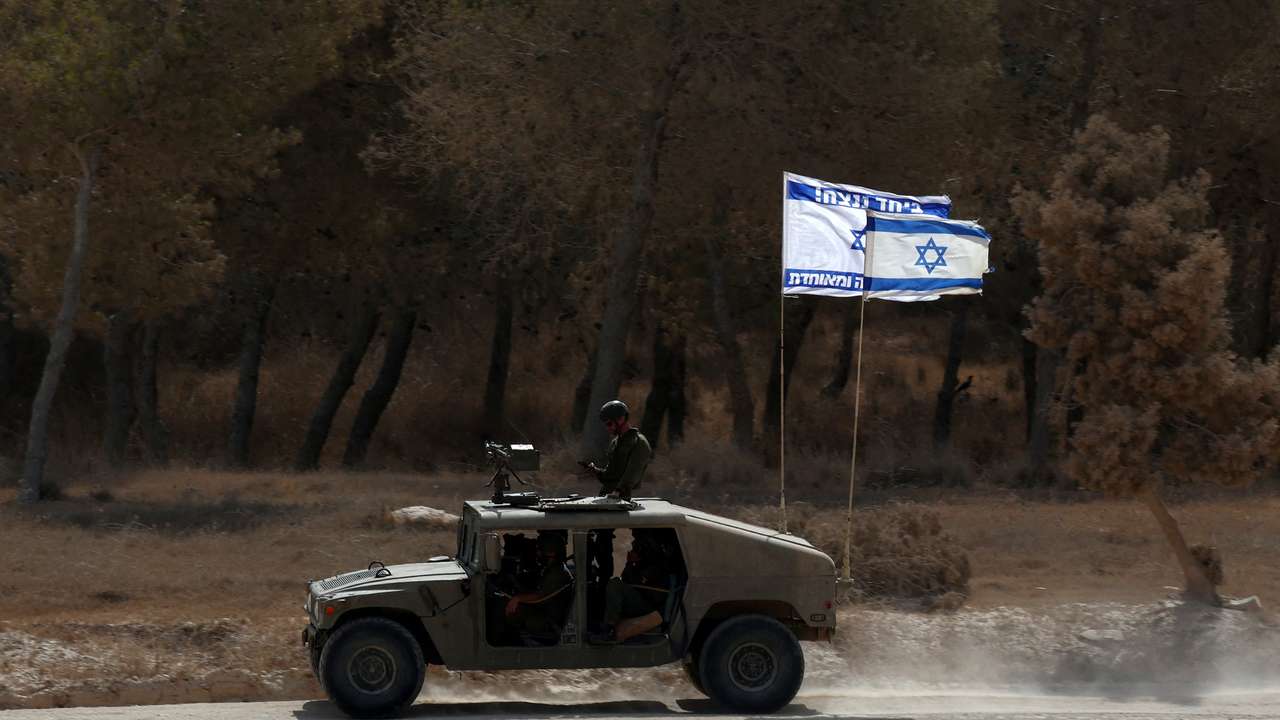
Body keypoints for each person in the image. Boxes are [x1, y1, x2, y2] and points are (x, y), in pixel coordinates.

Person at [590, 530, 670, 644]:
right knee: (608, 586)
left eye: (635, 549)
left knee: (615, 584)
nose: (631, 550)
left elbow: (636, 582)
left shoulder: (654, 567)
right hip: (641, 599)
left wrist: (631, 562)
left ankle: (609, 630)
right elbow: (627, 579)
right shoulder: (640, 564)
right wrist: (630, 563)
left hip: (650, 607)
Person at [504, 532, 573, 641]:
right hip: (543, 608)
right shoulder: (552, 568)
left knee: (506, 612)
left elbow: (539, 596)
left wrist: (517, 599)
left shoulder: (557, 573)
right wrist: (516, 584)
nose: (538, 554)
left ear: (551, 553)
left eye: (540, 551)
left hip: (548, 617)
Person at [581, 400, 651, 500]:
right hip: (606, 496)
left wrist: (618, 491)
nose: (607, 428)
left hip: (620, 499)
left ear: (621, 419)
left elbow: (633, 472)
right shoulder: (615, 442)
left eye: (609, 424)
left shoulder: (639, 442)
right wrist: (596, 471)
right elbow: (610, 475)